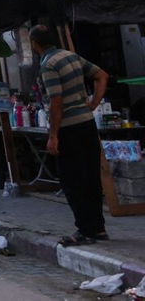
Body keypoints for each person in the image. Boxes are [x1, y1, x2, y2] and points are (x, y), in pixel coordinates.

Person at [29, 25, 110, 246]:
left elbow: (56, 101)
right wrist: (93, 103)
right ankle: (98, 228)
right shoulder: (71, 57)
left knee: (73, 180)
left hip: (68, 128)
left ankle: (85, 230)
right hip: (86, 124)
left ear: (34, 44)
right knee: (91, 177)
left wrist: (53, 134)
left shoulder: (48, 65)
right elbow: (102, 75)